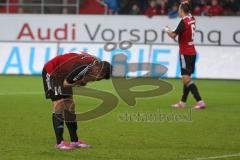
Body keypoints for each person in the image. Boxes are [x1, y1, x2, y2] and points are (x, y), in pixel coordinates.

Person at [42, 51, 112, 149]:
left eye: (100, 78)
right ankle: (59, 142)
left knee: (70, 105)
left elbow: (79, 55)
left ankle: (74, 141)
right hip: (52, 71)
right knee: (59, 104)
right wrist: (81, 82)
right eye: (99, 75)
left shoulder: (96, 63)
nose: (97, 78)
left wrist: (82, 81)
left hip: (64, 72)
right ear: (97, 67)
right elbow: (66, 83)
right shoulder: (84, 68)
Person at [163, 3, 206, 109]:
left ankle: (200, 101)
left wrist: (167, 30)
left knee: (186, 79)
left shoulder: (183, 22)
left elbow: (173, 35)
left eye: (179, 9)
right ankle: (182, 102)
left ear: (182, 10)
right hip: (192, 52)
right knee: (186, 78)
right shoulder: (192, 18)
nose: (178, 11)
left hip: (185, 54)